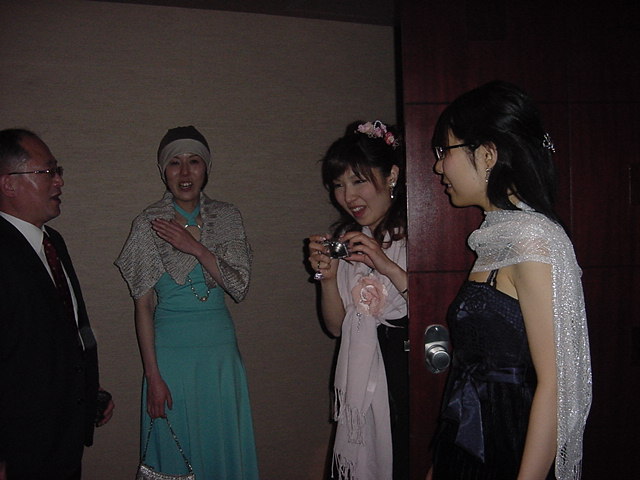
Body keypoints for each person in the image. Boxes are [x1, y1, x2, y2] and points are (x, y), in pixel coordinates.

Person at [429, 81, 592, 479]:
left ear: (487, 154)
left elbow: (556, 386)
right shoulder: (496, 237)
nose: (438, 167)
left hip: (507, 446)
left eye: (444, 151)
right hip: (468, 437)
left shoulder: (534, 241)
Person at [115, 126, 259, 479]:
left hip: (219, 352)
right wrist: (152, 375)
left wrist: (194, 247)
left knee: (221, 441)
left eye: (194, 161)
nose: (184, 172)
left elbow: (239, 286)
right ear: (163, 170)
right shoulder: (148, 224)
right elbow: (143, 306)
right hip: (170, 356)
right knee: (175, 452)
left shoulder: (228, 217)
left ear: (206, 168)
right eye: (174, 162)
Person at [0, 129, 114, 480]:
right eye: (47, 171)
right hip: (20, 447)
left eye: (57, 170)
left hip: (62, 435)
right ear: (9, 184)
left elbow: (68, 329)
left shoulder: (52, 242)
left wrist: (88, 387)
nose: (59, 181)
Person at [308, 120, 409, 480]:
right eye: (338, 185)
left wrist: (384, 264)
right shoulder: (349, 238)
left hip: (409, 373)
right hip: (362, 375)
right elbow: (336, 327)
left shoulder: (421, 232)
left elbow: (435, 311)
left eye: (358, 180)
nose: (348, 196)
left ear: (391, 175)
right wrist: (327, 277)